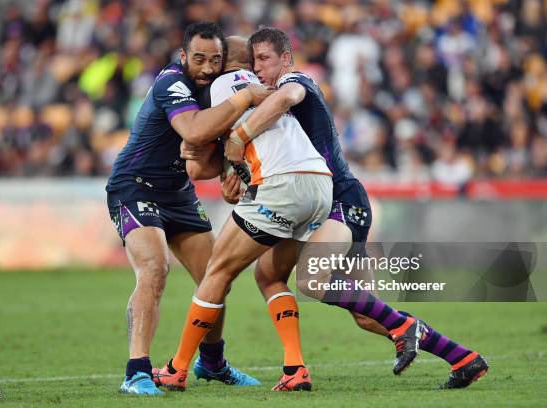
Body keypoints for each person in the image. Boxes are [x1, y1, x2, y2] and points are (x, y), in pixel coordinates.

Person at [223, 26, 489, 390]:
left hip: (342, 201)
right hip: (332, 205)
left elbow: (288, 97)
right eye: (254, 64)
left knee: (312, 280)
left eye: (265, 60)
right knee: (364, 312)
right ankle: (464, 358)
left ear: (286, 58)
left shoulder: (296, 81)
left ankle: (403, 329)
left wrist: (238, 138)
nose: (259, 70)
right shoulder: (267, 103)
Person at [152, 35, 334, 392]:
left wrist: (200, 153)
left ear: (225, 62)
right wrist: (233, 169)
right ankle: (295, 368)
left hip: (281, 185)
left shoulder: (220, 88)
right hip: (319, 186)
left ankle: (177, 368)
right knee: (269, 276)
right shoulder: (266, 86)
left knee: (217, 270)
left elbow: (196, 168)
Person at [106, 22, 269, 396]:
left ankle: (212, 363)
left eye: (216, 61)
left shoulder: (214, 94)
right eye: (199, 59)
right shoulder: (172, 83)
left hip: (178, 193)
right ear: (184, 56)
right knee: (154, 267)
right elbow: (194, 132)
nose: (208, 68)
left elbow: (200, 165)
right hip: (135, 186)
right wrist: (245, 98)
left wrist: (231, 178)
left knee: (217, 275)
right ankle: (137, 371)